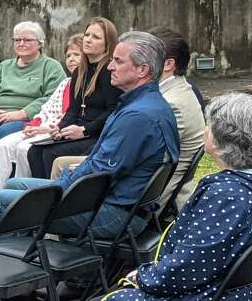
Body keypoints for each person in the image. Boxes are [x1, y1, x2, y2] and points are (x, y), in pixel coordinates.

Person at [0, 31, 179, 245]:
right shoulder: (146, 104)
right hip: (116, 203)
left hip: (114, 214)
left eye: (118, 61)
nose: (110, 66)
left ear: (142, 70)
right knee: (14, 183)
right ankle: (19, 260)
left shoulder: (138, 117)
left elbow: (98, 175)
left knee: (2, 201)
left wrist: (58, 187)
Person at [101, 90, 252, 300]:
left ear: (221, 137)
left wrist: (144, 277)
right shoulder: (237, 187)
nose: (204, 130)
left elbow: (192, 265)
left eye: (208, 125)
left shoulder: (227, 195)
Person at [50, 28, 205, 213]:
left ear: (165, 64)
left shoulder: (163, 104)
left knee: (38, 185)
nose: (110, 67)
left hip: (134, 201)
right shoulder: (161, 96)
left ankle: (44, 220)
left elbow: (127, 162)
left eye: (119, 60)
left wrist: (83, 167)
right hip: (132, 191)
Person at [0, 33, 83, 225]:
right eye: (17, 40)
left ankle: (11, 201)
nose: (21, 43)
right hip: (5, 116)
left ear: (40, 44)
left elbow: (47, 102)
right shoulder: (5, 66)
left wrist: (23, 115)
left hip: (24, 117)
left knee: (7, 137)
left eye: (27, 40)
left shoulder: (51, 67)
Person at [26, 17, 122, 178]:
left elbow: (114, 111)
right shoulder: (80, 72)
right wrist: (59, 128)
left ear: (108, 45)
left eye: (96, 37)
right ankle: (42, 197)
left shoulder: (108, 71)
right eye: (87, 35)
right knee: (34, 151)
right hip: (76, 130)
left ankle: (58, 198)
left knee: (52, 154)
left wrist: (84, 130)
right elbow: (73, 109)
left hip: (97, 135)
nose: (88, 40)